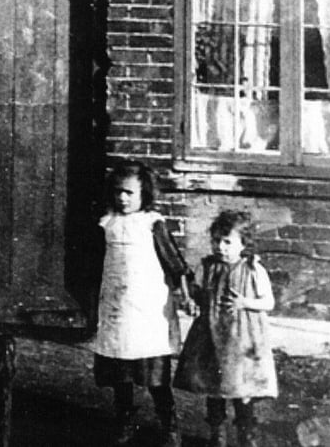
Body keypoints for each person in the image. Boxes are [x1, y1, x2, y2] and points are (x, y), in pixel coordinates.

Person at [93, 160, 193, 447]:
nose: (122, 198)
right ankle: (125, 418)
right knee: (120, 366)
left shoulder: (152, 224)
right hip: (117, 305)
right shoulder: (107, 223)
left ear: (144, 194)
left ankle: (169, 421)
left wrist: (184, 293)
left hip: (147, 308)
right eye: (117, 192)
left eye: (129, 193)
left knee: (153, 372)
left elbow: (174, 262)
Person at [174, 210, 278, 447]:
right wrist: (191, 303)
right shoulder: (207, 267)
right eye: (216, 241)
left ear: (244, 243)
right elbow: (199, 295)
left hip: (241, 342)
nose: (220, 247)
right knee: (214, 387)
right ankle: (217, 434)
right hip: (211, 337)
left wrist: (245, 303)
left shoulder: (253, 269)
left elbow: (268, 302)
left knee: (242, 390)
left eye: (227, 241)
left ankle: (246, 434)